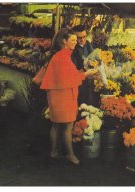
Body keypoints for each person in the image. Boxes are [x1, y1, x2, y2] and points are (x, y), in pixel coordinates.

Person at [40, 28, 98, 165]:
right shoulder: (62, 57)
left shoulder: (61, 55)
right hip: (62, 95)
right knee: (67, 126)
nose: (75, 42)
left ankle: (54, 152)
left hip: (57, 94)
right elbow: (70, 79)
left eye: (75, 40)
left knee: (56, 125)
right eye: (72, 40)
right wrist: (87, 74)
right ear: (63, 41)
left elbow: (67, 75)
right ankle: (70, 155)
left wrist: (81, 72)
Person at [71, 25, 99, 107]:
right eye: (79, 38)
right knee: (80, 103)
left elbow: (94, 56)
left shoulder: (88, 44)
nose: (82, 40)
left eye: (84, 37)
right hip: (78, 81)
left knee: (90, 101)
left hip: (89, 79)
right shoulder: (73, 48)